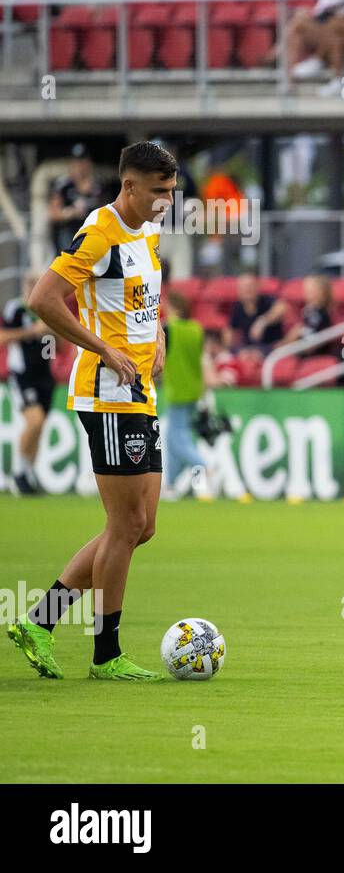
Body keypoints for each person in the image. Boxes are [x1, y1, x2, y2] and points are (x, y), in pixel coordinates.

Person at [8, 140, 178, 682]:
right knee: (125, 522)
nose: (166, 203)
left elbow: (148, 295)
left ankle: (40, 621)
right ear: (130, 186)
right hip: (106, 393)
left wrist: (159, 336)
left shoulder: (147, 229)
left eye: (171, 193)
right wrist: (103, 348)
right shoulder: (99, 233)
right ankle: (106, 653)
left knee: (140, 526)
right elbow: (43, 299)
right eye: (158, 193)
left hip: (139, 391)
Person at [2, 272, 53, 495]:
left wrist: (53, 332)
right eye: (32, 284)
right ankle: (19, 473)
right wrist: (33, 331)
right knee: (35, 421)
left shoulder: (49, 308)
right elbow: (3, 338)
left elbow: (52, 348)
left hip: (45, 375)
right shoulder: (16, 309)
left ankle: (29, 474)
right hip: (23, 375)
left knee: (39, 427)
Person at [160, 292, 211, 500]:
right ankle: (171, 485)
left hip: (177, 388)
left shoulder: (170, 329)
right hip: (194, 388)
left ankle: (203, 466)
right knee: (174, 440)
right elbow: (201, 359)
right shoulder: (196, 329)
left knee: (178, 439)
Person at [47, 143, 108, 256]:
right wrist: (71, 213)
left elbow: (106, 214)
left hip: (91, 234)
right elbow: (53, 214)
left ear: (89, 163)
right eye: (76, 162)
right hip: (68, 234)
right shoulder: (63, 185)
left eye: (83, 162)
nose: (79, 166)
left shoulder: (98, 185)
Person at [224, 271, 286, 354]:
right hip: (247, 349)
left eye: (250, 286)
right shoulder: (238, 306)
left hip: (269, 348)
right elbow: (230, 329)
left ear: (257, 287)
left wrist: (263, 322)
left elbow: (282, 308)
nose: (246, 290)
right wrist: (227, 348)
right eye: (242, 287)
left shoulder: (267, 300)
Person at [279, 273, 336, 355]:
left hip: (311, 354)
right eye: (305, 289)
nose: (305, 292)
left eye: (310, 290)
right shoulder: (308, 310)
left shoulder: (321, 314)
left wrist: (294, 336)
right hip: (298, 349)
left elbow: (311, 343)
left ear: (321, 292)